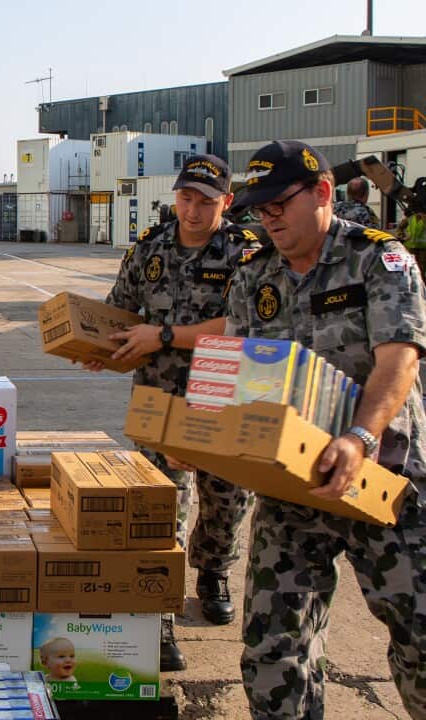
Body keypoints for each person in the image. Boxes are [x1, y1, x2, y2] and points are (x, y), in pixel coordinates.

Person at [227, 139, 426, 719]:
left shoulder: (377, 259)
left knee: (420, 637)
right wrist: (210, 438)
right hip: (293, 488)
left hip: (384, 483)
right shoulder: (253, 274)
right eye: (260, 210)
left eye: (279, 205)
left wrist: (360, 438)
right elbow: (240, 373)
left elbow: (398, 362)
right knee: (273, 647)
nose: (269, 220)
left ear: (322, 192)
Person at [85, 154, 260, 672]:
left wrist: (161, 335)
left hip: (227, 399)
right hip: (159, 400)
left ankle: (213, 572)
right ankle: (159, 615)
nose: (193, 209)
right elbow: (122, 310)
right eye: (186, 197)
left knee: (225, 500)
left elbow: (244, 325)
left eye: (206, 201)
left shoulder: (247, 253)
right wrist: (102, 348)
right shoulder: (149, 249)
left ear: (226, 202)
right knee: (161, 509)